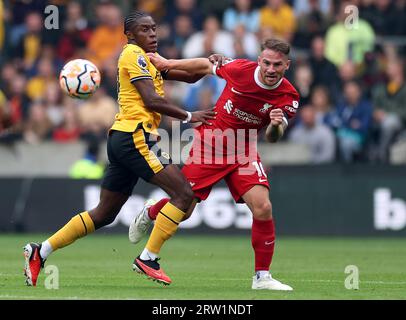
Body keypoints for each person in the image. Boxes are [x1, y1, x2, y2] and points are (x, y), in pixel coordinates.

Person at [22, 11, 215, 287]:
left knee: (104, 213)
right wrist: (188, 115)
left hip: (123, 139)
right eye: (145, 30)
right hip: (135, 137)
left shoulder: (150, 60)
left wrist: (212, 64)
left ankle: (41, 251)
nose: (153, 34)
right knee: (184, 194)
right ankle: (148, 257)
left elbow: (191, 77)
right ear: (130, 35)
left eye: (154, 29)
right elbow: (150, 100)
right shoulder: (131, 55)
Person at [130, 38, 300, 290]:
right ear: (259, 60)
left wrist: (276, 125)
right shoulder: (241, 70)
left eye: (277, 64)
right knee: (184, 209)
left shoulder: (289, 95)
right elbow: (204, 64)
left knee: (263, 207)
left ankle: (261, 277)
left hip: (243, 149)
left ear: (286, 65)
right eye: (266, 62)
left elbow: (274, 139)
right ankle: (152, 211)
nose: (271, 69)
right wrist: (168, 63)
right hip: (212, 143)